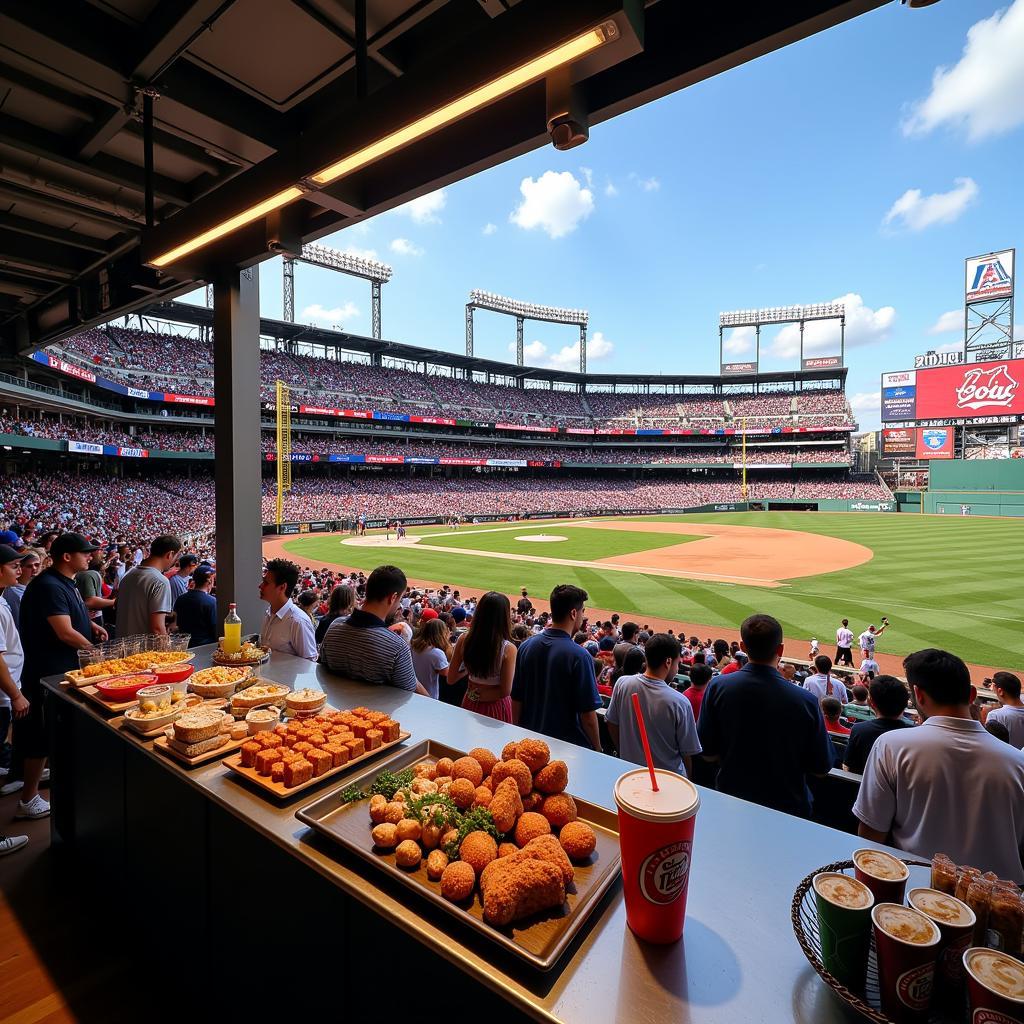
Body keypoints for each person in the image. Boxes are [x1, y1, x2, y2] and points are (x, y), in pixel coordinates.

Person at [853, 649, 1024, 883]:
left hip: (913, 890)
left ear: (918, 695)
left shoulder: (891, 746)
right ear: (973, 694)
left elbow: (871, 836)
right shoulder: (1018, 762)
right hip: (1000, 906)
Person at [697, 614, 833, 818]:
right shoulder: (805, 700)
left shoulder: (718, 687)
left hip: (731, 801)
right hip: (789, 809)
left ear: (742, 647)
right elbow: (821, 768)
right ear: (781, 650)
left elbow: (706, 752)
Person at [12, 533, 108, 820]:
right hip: (47, 672)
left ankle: (39, 781)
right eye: (85, 552)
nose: (90, 556)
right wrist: (94, 651)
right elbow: (63, 631)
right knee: (39, 736)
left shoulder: (64, 582)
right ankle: (28, 800)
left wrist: (90, 624)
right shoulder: (49, 586)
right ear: (67, 556)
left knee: (48, 734)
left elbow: (68, 616)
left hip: (58, 670)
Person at [511, 584, 602, 750]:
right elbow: (588, 716)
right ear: (574, 613)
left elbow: (516, 699)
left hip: (529, 743)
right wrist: (598, 749)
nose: (582, 616)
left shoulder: (526, 646)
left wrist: (516, 734)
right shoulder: (580, 656)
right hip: (566, 747)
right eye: (582, 611)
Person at [319, 565, 427, 694]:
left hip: (335, 709)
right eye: (399, 599)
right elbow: (409, 695)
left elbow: (321, 669)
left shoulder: (334, 626)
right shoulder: (397, 647)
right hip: (374, 712)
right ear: (392, 598)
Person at [606, 633, 702, 777]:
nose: (676, 669)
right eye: (677, 663)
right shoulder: (680, 702)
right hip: (668, 780)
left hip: (629, 773)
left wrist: (624, 752)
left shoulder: (623, 683)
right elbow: (688, 753)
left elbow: (612, 723)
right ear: (668, 662)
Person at [450, 591, 516, 721]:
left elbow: (451, 679)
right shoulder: (508, 649)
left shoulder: (464, 639)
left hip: (469, 701)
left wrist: (473, 692)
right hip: (496, 707)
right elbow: (505, 691)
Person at [842, 674, 912, 775]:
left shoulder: (859, 729)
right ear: (905, 704)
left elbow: (847, 766)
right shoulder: (914, 734)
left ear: (870, 703)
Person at [116, 534, 181, 638]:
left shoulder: (128, 574)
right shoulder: (160, 581)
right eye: (176, 557)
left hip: (122, 645)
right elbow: (157, 629)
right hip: (144, 651)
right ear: (170, 554)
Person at [0, 546, 27, 786]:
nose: (19, 570)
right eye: (14, 566)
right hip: (3, 693)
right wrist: (16, 695)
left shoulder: (2, 598)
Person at [258, 559, 317, 660]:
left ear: (282, 587)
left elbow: (310, 663)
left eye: (266, 583)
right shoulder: (269, 613)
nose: (260, 586)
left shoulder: (298, 621)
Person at [172, 567, 217, 647]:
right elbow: (215, 628)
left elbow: (176, 623)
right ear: (209, 580)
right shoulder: (211, 602)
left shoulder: (181, 599)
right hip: (205, 646)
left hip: (185, 645)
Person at [75, 546, 115, 633]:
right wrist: (115, 601)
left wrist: (107, 598)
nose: (102, 553)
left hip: (86, 620)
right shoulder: (89, 574)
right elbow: (90, 602)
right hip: (92, 620)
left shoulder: (80, 573)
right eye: (100, 551)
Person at [410, 617, 451, 700]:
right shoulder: (436, 653)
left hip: (412, 692)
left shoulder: (413, 646)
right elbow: (447, 673)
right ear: (442, 633)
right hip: (429, 695)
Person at [982, 672, 1024, 747]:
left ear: (1000, 691)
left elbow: (990, 745)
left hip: (1008, 757)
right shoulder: (1021, 699)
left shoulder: (995, 715)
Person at [3, 548, 41, 629]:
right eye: (29, 566)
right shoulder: (12, 593)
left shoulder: (38, 586)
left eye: (37, 565)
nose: (34, 568)